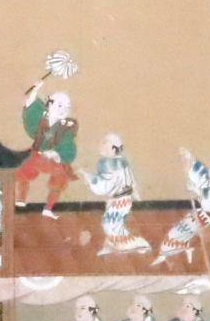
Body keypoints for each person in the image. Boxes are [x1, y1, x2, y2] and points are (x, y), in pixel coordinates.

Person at [151, 149, 210, 267]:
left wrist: (196, 190)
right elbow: (201, 175)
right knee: (179, 232)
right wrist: (190, 158)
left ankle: (168, 252)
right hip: (200, 214)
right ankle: (172, 252)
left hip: (204, 217)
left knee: (177, 233)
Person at [16, 76, 79, 218]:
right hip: (38, 155)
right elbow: (32, 109)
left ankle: (48, 208)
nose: (63, 110)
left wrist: (56, 154)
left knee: (60, 179)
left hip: (55, 159)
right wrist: (36, 89)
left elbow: (68, 144)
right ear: (49, 105)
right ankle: (21, 198)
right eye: (60, 105)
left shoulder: (67, 127)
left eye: (67, 107)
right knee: (23, 171)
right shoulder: (42, 119)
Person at [77, 134, 149, 256]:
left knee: (110, 224)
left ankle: (134, 244)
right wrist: (135, 191)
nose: (101, 146)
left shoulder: (107, 163)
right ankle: (115, 245)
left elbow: (104, 183)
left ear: (113, 148)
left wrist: (88, 177)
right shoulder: (122, 162)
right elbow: (130, 179)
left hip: (119, 200)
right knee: (116, 224)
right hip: (123, 199)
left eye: (104, 143)